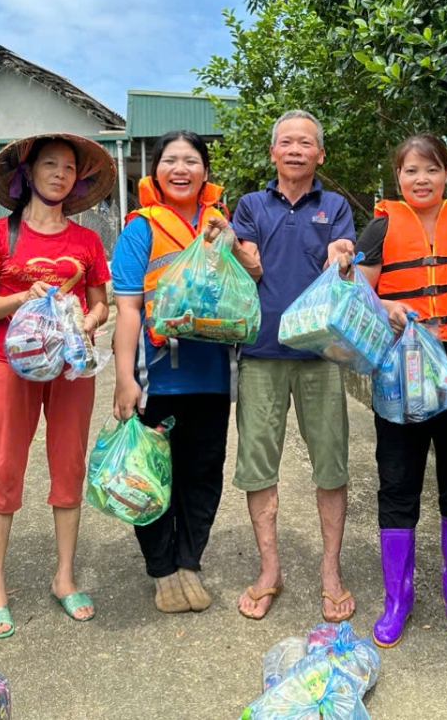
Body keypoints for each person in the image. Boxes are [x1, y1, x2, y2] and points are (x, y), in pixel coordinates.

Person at [354, 133, 447, 647]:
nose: (421, 179)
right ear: (397, 176)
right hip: (402, 375)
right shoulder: (381, 226)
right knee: (397, 484)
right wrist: (385, 306)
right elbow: (358, 287)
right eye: (411, 170)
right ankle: (397, 598)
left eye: (432, 169)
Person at [0, 133, 114, 638]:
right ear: (27, 173)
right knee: (5, 466)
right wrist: (23, 299)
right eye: (50, 164)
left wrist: (88, 320)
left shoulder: (87, 240)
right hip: (10, 364)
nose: (60, 174)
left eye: (69, 168)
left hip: (70, 365)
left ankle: (65, 576)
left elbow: (100, 303)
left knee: (68, 464)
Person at [111, 130, 247, 613]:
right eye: (170, 160)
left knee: (203, 474)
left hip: (212, 377)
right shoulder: (139, 229)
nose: (181, 169)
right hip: (158, 379)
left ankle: (190, 561)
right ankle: (162, 570)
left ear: (205, 172)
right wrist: (124, 378)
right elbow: (128, 310)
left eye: (191, 160)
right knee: (152, 476)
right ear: (156, 172)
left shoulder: (221, 226)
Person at [230, 109, 357, 622]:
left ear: (320, 154)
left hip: (321, 353)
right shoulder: (251, 205)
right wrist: (239, 253)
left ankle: (330, 570)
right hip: (261, 352)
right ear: (273, 152)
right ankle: (270, 569)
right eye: (287, 142)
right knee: (259, 466)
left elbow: (344, 259)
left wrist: (344, 253)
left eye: (307, 143)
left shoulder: (336, 206)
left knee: (332, 463)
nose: (297, 149)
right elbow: (244, 260)